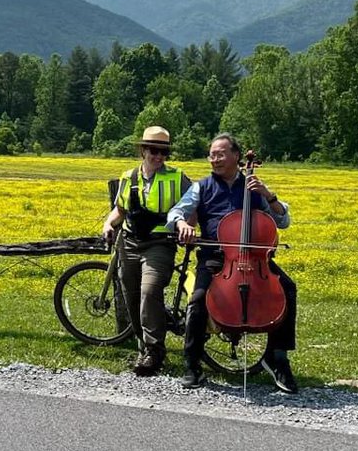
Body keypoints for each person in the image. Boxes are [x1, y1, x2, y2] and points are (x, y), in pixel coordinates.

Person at [167, 132, 298, 392]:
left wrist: (269, 196)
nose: (214, 159)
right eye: (212, 154)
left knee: (288, 288)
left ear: (236, 157)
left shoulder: (254, 187)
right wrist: (182, 223)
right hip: (216, 258)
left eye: (220, 154)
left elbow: (283, 221)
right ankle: (192, 364)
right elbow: (176, 212)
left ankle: (278, 357)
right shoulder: (201, 187)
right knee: (198, 299)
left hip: (254, 258)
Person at [101, 126, 191, 376]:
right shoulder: (128, 177)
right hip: (129, 242)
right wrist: (108, 223)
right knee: (131, 295)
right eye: (153, 150)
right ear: (143, 150)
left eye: (163, 151)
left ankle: (153, 351)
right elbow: (120, 209)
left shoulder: (178, 177)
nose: (159, 156)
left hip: (160, 244)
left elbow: (193, 207)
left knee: (149, 290)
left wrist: (188, 228)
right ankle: (145, 345)